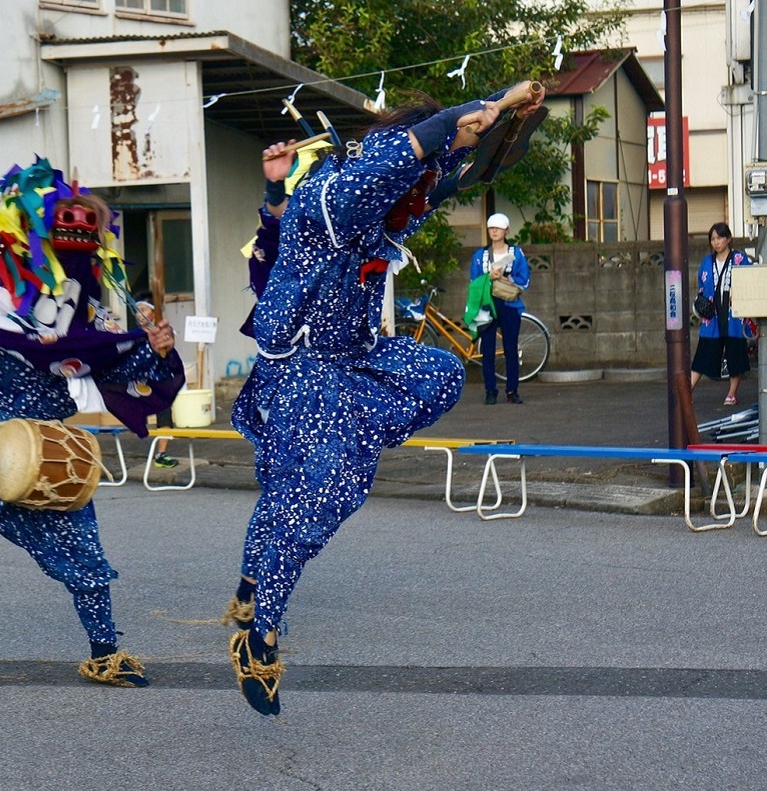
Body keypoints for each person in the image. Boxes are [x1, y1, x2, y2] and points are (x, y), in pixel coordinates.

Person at [223, 86, 538, 716]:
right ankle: (259, 635)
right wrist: (452, 124)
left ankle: (258, 571)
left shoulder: (385, 211)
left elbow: (435, 179)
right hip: (300, 362)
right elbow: (404, 157)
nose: (413, 204)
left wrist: (499, 105)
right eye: (409, 178)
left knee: (442, 374)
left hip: (355, 358)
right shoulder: (327, 199)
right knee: (324, 487)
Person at [0, 159, 182, 688]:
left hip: (47, 443)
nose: (77, 229)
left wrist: (161, 352)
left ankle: (104, 653)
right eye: (65, 221)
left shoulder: (97, 323)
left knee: (86, 558)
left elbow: (131, 368)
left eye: (88, 223)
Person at [469, 212, 531, 404]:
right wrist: (488, 278)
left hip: (510, 304)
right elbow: (473, 281)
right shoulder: (480, 255)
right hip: (486, 305)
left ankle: (512, 390)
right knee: (487, 349)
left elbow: (525, 280)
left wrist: (504, 278)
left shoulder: (516, 253)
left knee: (510, 348)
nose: (494, 231)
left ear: (506, 230)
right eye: (491, 228)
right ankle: (490, 390)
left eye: (498, 228)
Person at [690, 222, 751, 405]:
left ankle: (732, 393)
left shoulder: (739, 258)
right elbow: (702, 288)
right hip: (712, 315)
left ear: (728, 239)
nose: (716, 242)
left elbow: (748, 282)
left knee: (735, 354)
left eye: (720, 238)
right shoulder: (706, 262)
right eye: (713, 239)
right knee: (704, 352)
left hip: (734, 313)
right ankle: (687, 390)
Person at [135, 299, 177, 467]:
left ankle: (161, 453)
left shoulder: (163, 332)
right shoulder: (134, 334)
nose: (139, 314)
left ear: (153, 312)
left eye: (144, 309)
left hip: (159, 379)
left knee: (164, 413)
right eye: (137, 310)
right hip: (139, 380)